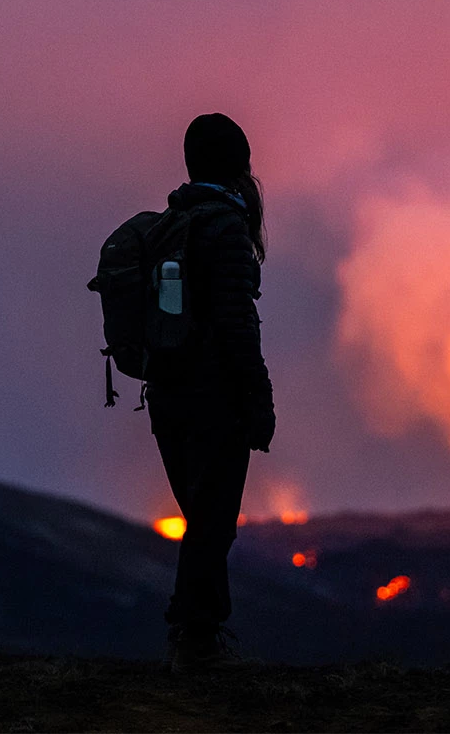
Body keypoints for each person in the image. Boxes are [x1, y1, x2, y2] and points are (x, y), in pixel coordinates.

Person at [147, 112, 276, 672]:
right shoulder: (224, 229)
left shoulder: (170, 225)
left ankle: (197, 640)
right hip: (212, 399)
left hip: (166, 395)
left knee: (202, 516)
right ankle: (196, 643)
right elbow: (235, 321)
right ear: (237, 164)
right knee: (213, 521)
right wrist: (259, 400)